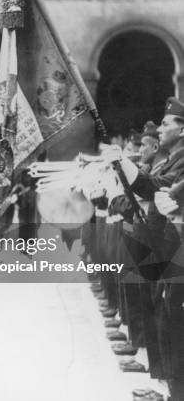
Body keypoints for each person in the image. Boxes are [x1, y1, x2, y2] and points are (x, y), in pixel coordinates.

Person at [103, 97, 184, 401]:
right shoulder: (171, 158)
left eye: (167, 123)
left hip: (168, 244)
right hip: (158, 239)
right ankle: (164, 383)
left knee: (167, 315)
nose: (162, 128)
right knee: (159, 310)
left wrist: (123, 168)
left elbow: (155, 187)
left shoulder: (180, 159)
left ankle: (171, 388)